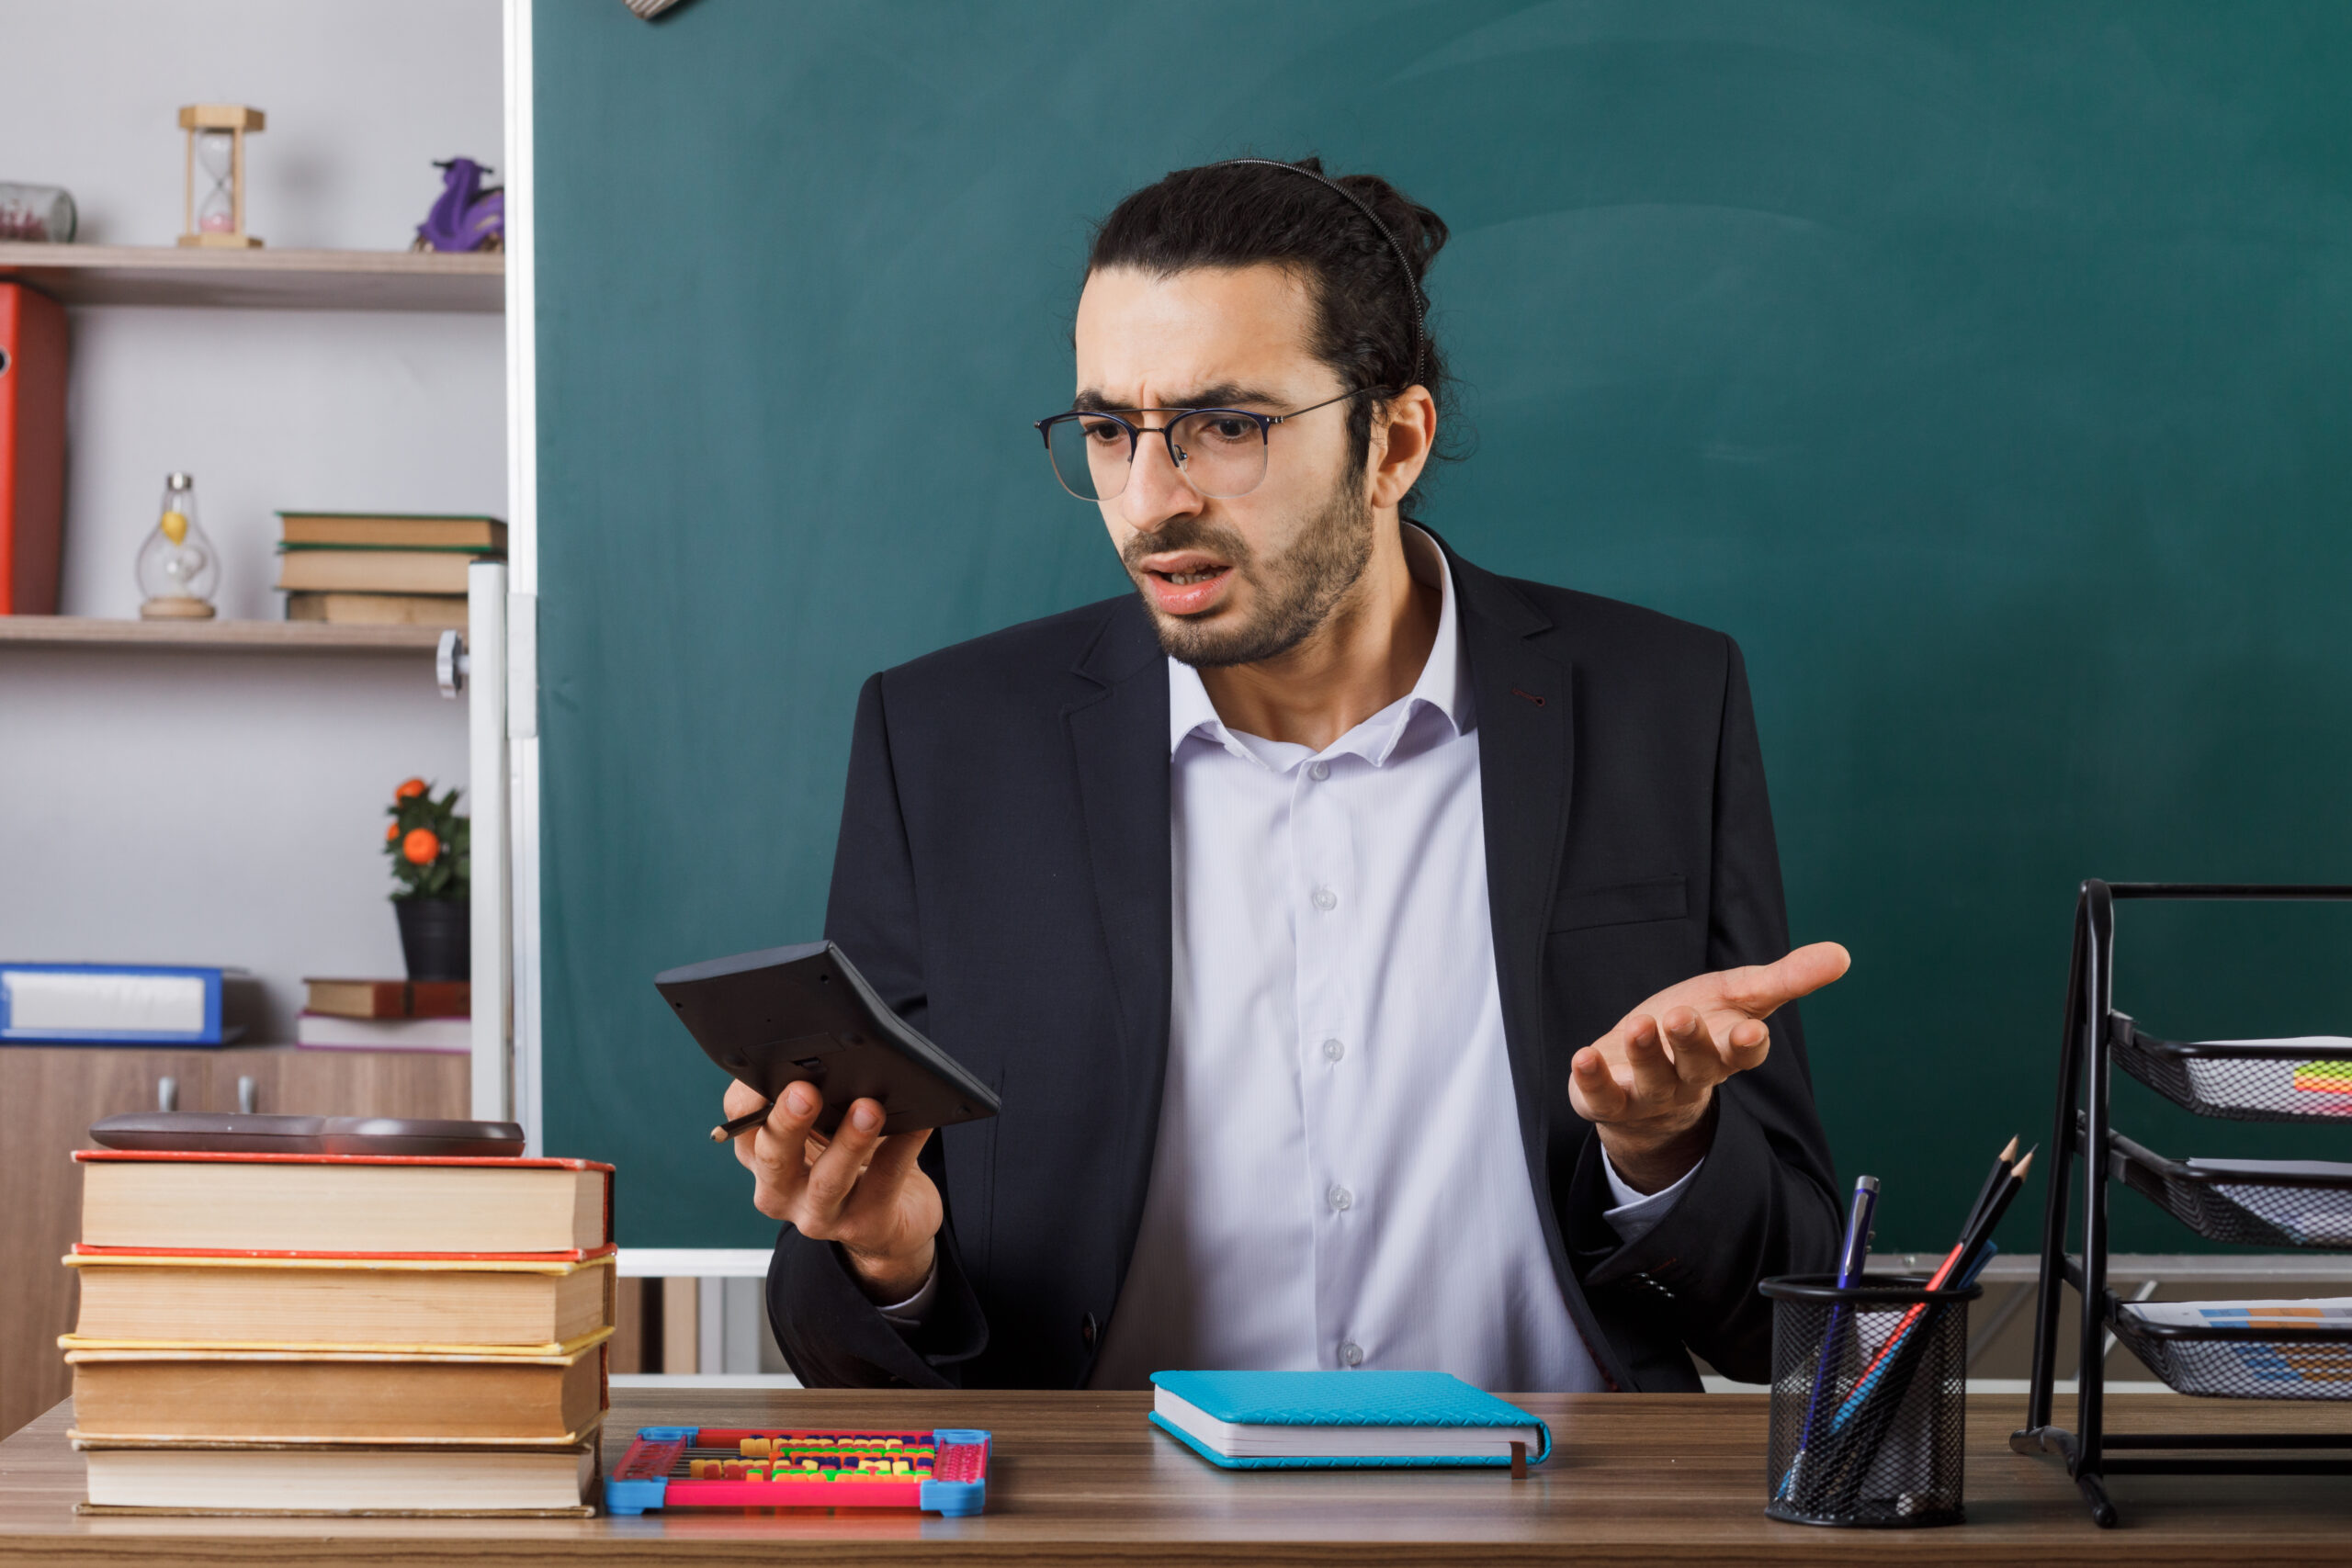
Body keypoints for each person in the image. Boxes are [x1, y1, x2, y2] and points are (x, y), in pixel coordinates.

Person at [726, 156, 1849, 1393]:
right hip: (1119, 1529)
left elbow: (1785, 1312)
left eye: (1227, 429)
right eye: (1110, 431)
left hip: (1560, 1515)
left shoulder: (1656, 707)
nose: (1151, 502)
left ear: (1396, 441)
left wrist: (1664, 1149)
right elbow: (842, 1338)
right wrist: (890, 1258)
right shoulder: (944, 744)